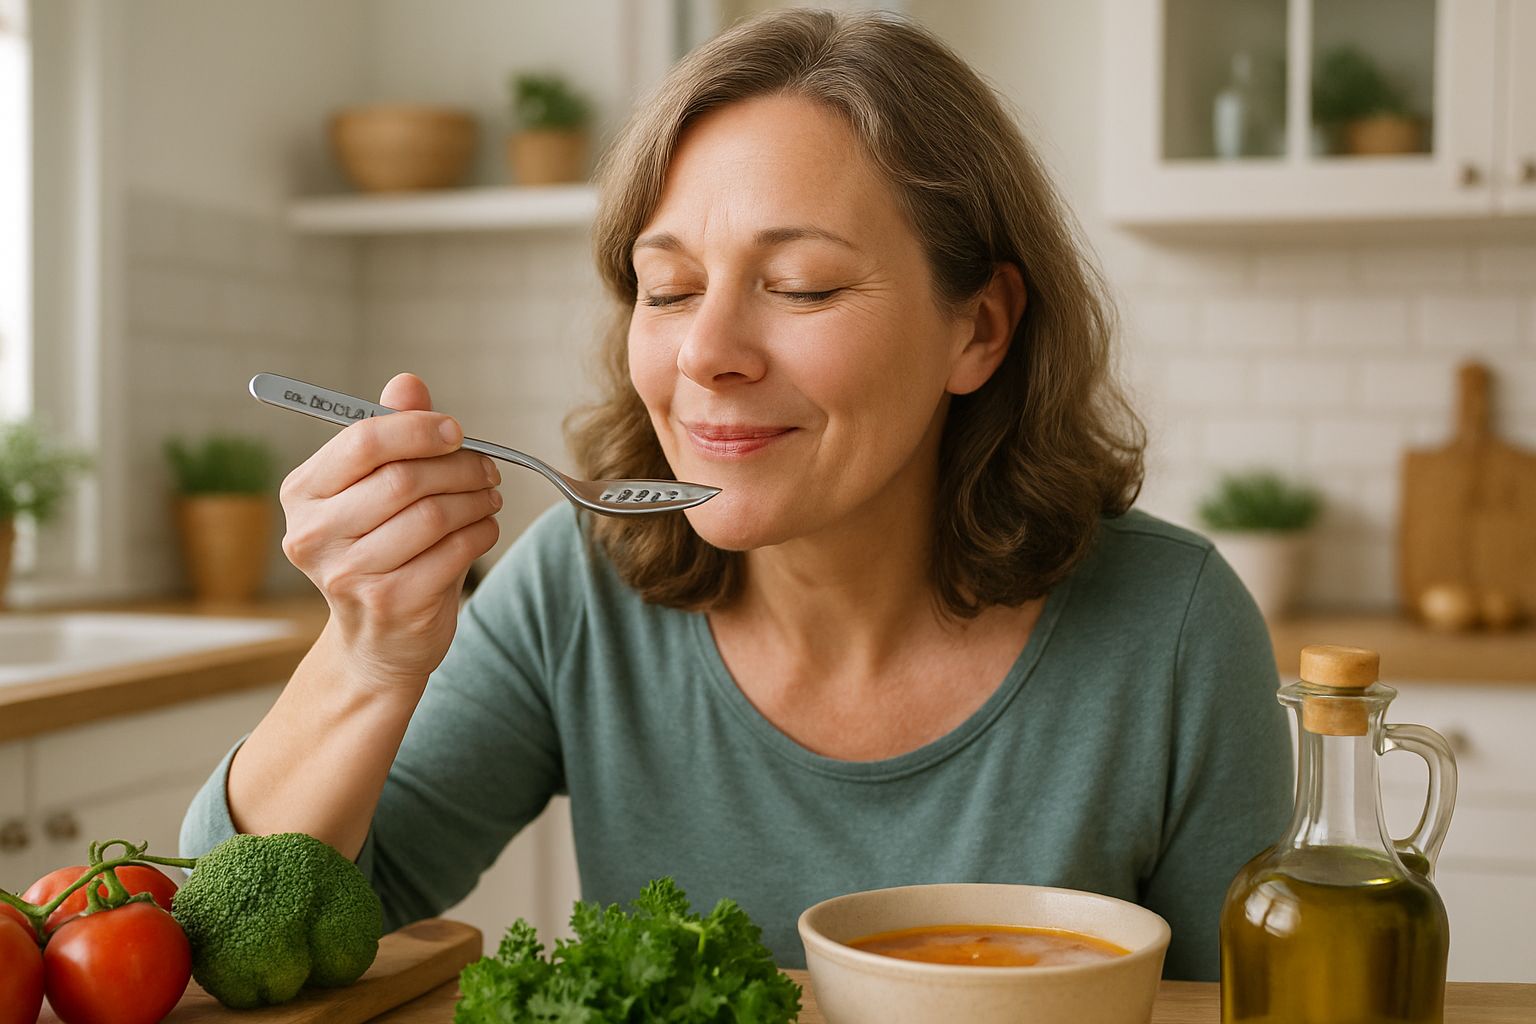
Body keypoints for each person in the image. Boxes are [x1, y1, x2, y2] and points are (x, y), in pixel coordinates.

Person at [181, 9, 1290, 981]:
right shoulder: (582, 585)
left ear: (979, 327)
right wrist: (367, 657)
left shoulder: (1175, 632)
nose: (706, 350)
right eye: (667, 289)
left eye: (800, 285)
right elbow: (235, 933)